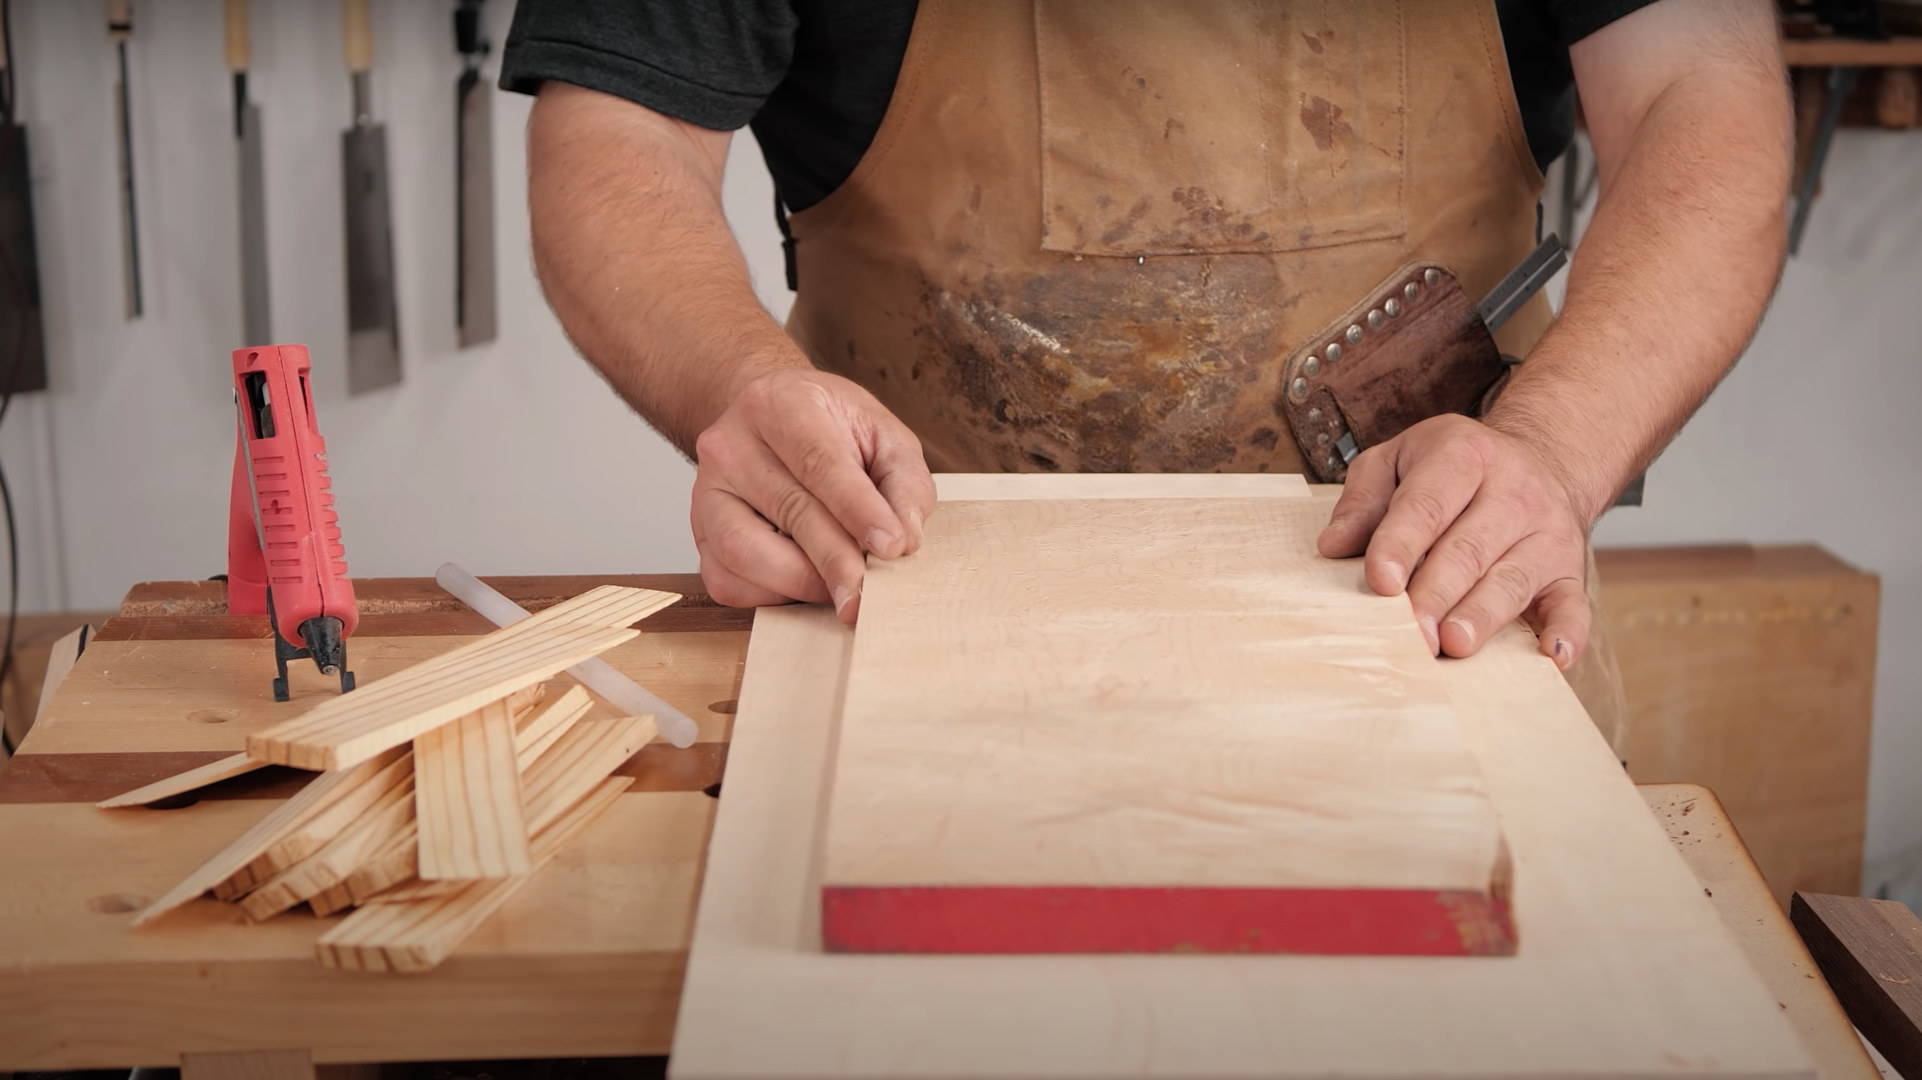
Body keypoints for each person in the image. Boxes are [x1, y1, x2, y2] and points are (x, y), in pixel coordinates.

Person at [502, 0, 1792, 743]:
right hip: (899, 621)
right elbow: (619, 139)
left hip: (1433, 611)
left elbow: (1704, 92)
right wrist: (738, 388)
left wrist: (1554, 456)